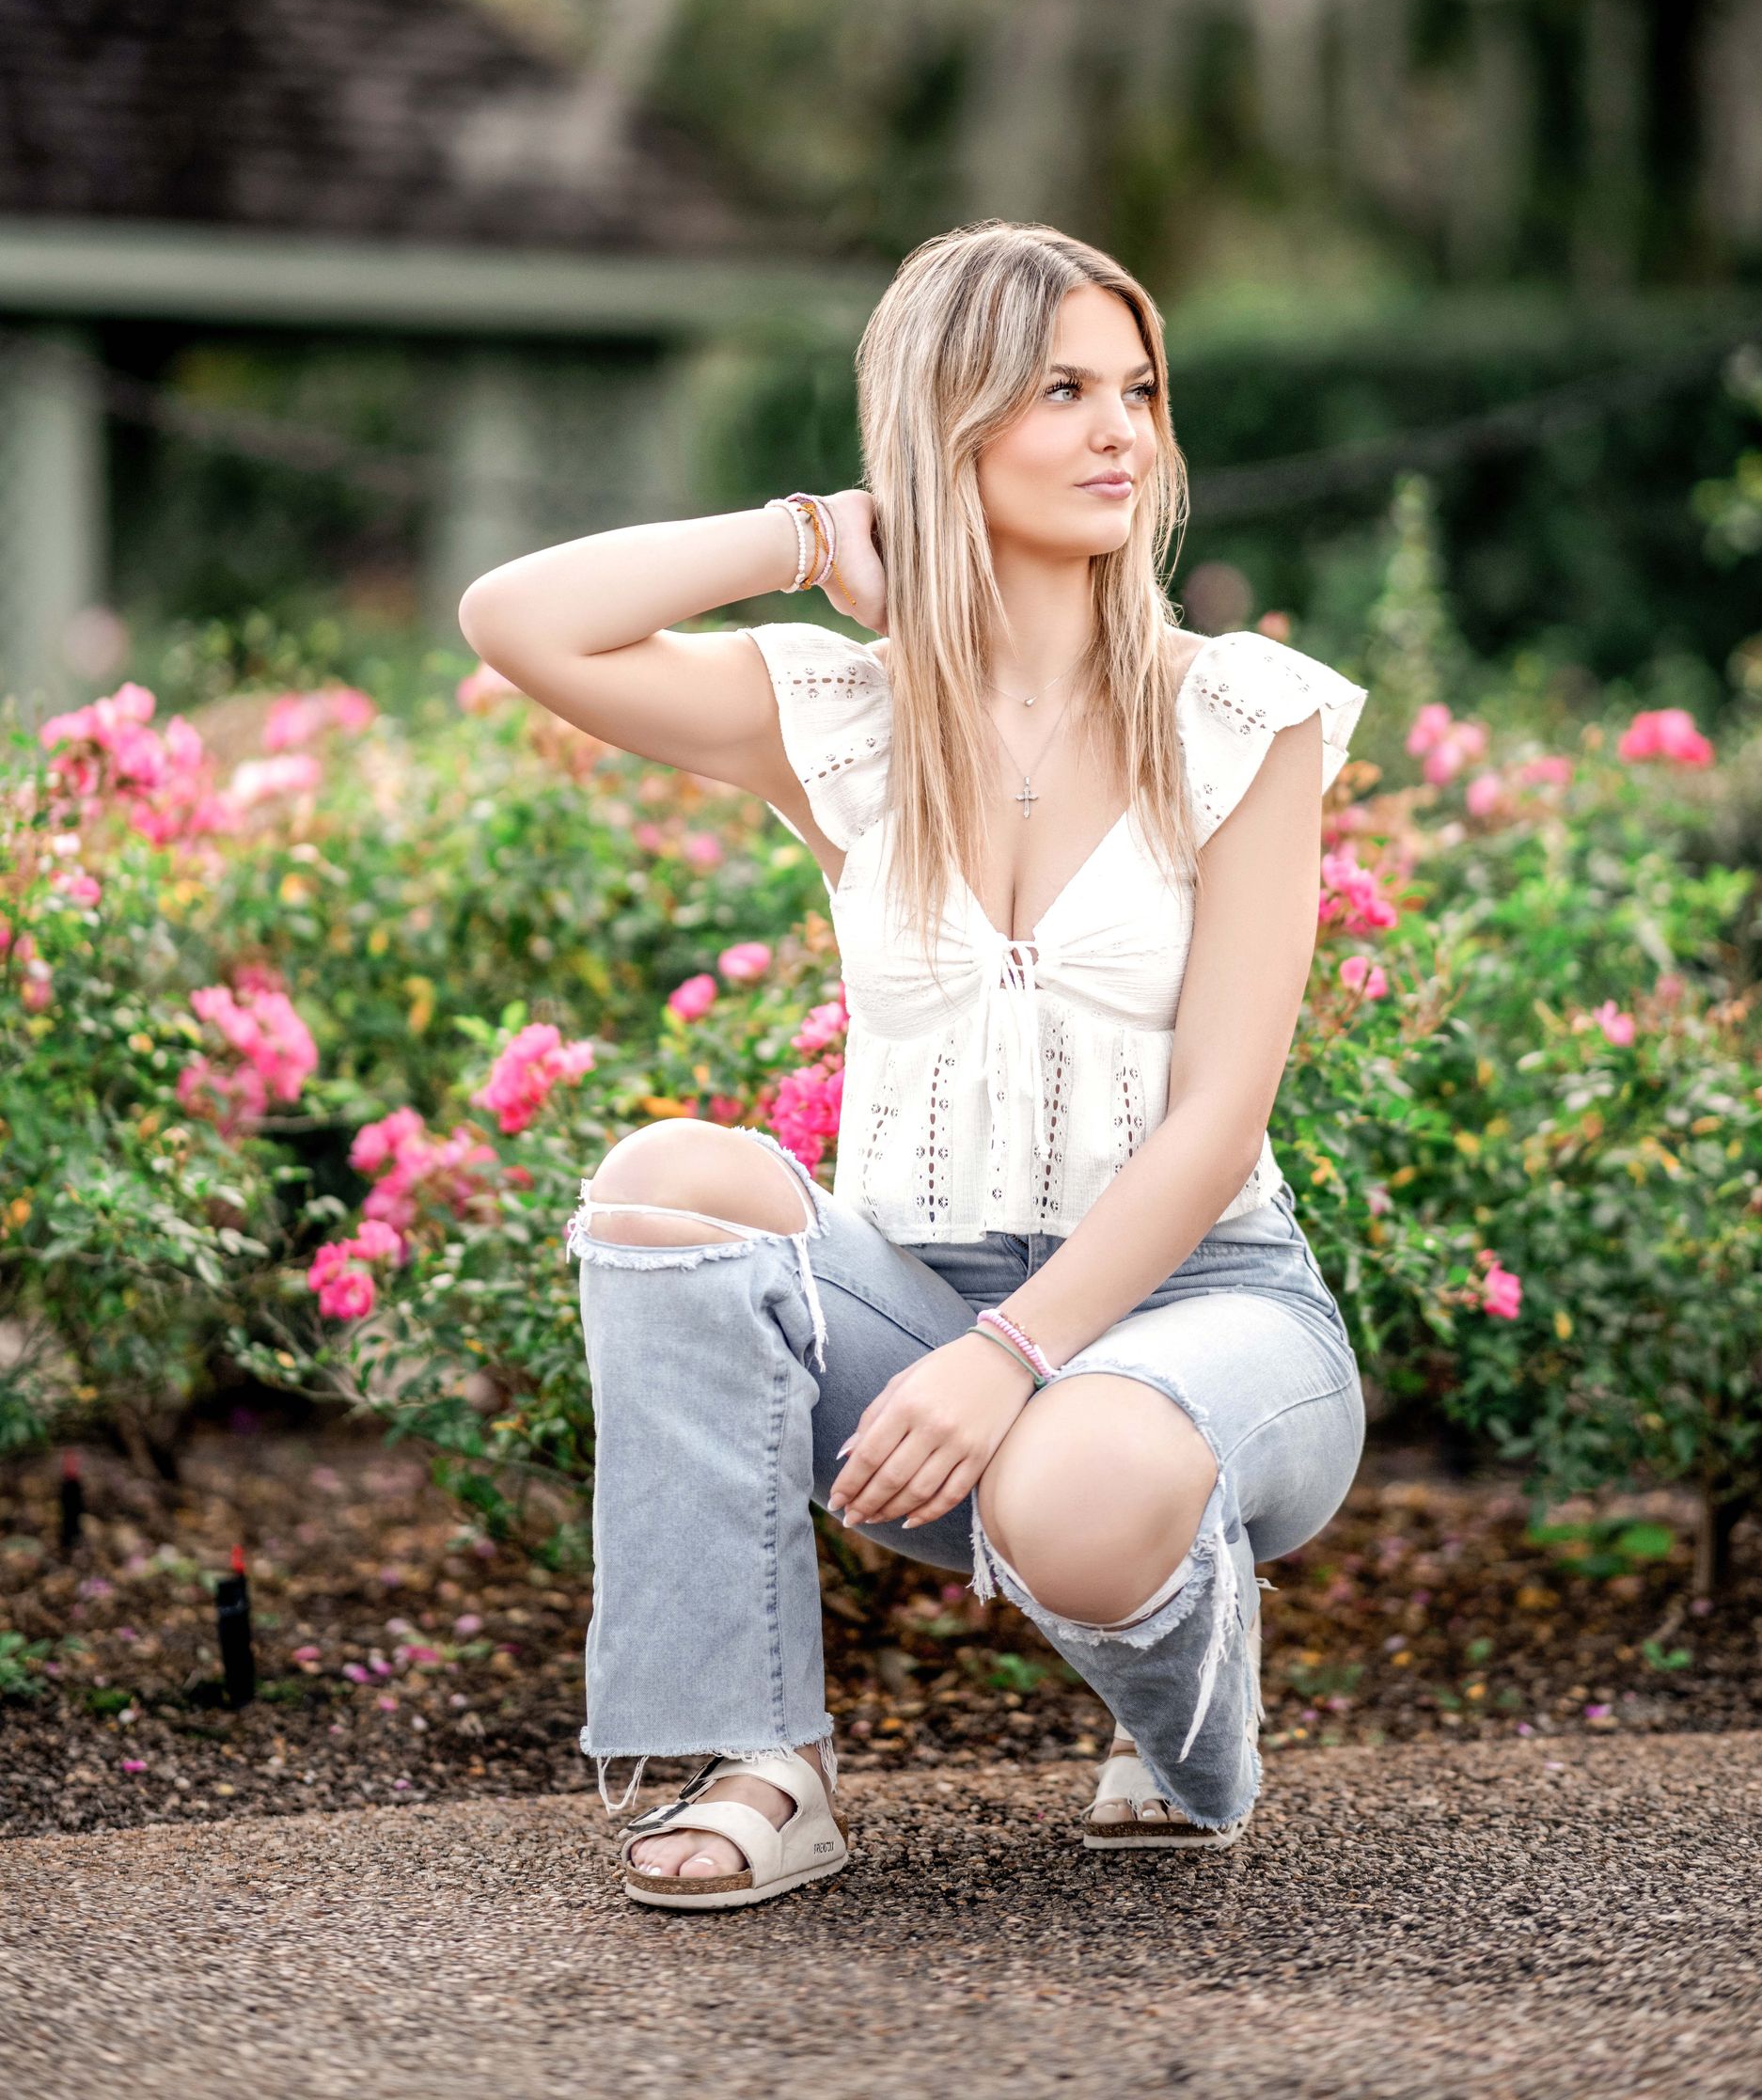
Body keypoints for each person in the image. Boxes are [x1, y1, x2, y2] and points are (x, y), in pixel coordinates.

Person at [456, 218, 1368, 1911]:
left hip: (1210, 1315)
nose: (1123, 431)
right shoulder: (845, 720)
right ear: (948, 428)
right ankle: (761, 1760)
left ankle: (1187, 1681)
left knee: (1081, 1480)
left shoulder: (1244, 715)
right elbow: (517, 618)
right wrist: (812, 535)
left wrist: (1017, 1351)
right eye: (1061, 392)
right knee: (666, 1186)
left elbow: (1220, 1113)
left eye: (1139, 389)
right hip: (916, 1326)